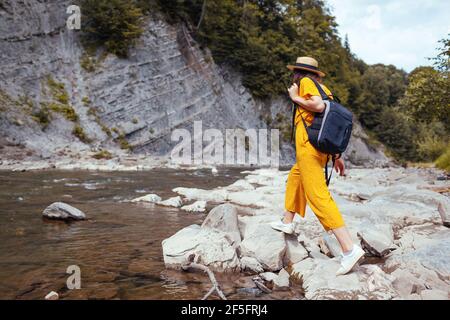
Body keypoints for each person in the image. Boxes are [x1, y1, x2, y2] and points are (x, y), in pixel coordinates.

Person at [270, 57, 365, 276]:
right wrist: (336, 156)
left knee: (318, 196)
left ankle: (349, 250)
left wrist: (294, 97)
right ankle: (287, 222)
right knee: (296, 176)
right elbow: (328, 123)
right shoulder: (325, 88)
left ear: (298, 72)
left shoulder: (305, 84)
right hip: (320, 149)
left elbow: (318, 106)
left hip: (309, 149)